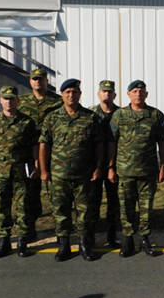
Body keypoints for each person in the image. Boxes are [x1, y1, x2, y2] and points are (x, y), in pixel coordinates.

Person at [39, 79, 105, 262]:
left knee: (85, 213)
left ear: (80, 94)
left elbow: (99, 145)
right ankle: (64, 245)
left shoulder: (90, 118)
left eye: (74, 92)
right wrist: (44, 171)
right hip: (58, 176)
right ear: (62, 94)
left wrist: (99, 167)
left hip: (84, 175)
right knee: (61, 211)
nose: (71, 95)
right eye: (67, 92)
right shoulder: (52, 118)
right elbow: (44, 145)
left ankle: (85, 244)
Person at [108, 80, 164, 258]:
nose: (138, 94)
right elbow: (112, 143)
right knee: (126, 207)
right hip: (125, 171)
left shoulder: (155, 115)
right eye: (134, 91)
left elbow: (162, 143)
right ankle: (128, 240)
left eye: (141, 91)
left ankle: (145, 239)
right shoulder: (119, 115)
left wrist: (163, 166)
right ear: (128, 94)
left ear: (146, 94)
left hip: (148, 171)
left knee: (146, 208)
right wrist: (110, 167)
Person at [0, 86, 40, 258]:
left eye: (12, 98)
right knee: (2, 206)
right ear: (0, 100)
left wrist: (36, 165)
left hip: (22, 171)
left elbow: (34, 145)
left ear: (17, 100)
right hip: (1, 172)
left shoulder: (27, 122)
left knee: (23, 207)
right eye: (6, 98)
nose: (9, 102)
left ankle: (22, 241)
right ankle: (4, 241)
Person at [18, 68, 62, 221]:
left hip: (52, 151)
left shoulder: (57, 101)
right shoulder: (21, 102)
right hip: (29, 151)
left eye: (41, 79)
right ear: (30, 81)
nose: (38, 82)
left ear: (46, 81)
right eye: (35, 79)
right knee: (29, 189)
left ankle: (60, 224)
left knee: (55, 189)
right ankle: (31, 222)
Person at [91, 80, 121, 249]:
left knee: (113, 202)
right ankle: (92, 237)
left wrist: (113, 166)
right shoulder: (90, 113)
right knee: (93, 202)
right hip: (94, 165)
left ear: (114, 95)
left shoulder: (120, 114)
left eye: (109, 92)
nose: (106, 94)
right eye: (104, 91)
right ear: (98, 94)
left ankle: (111, 236)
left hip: (114, 165)